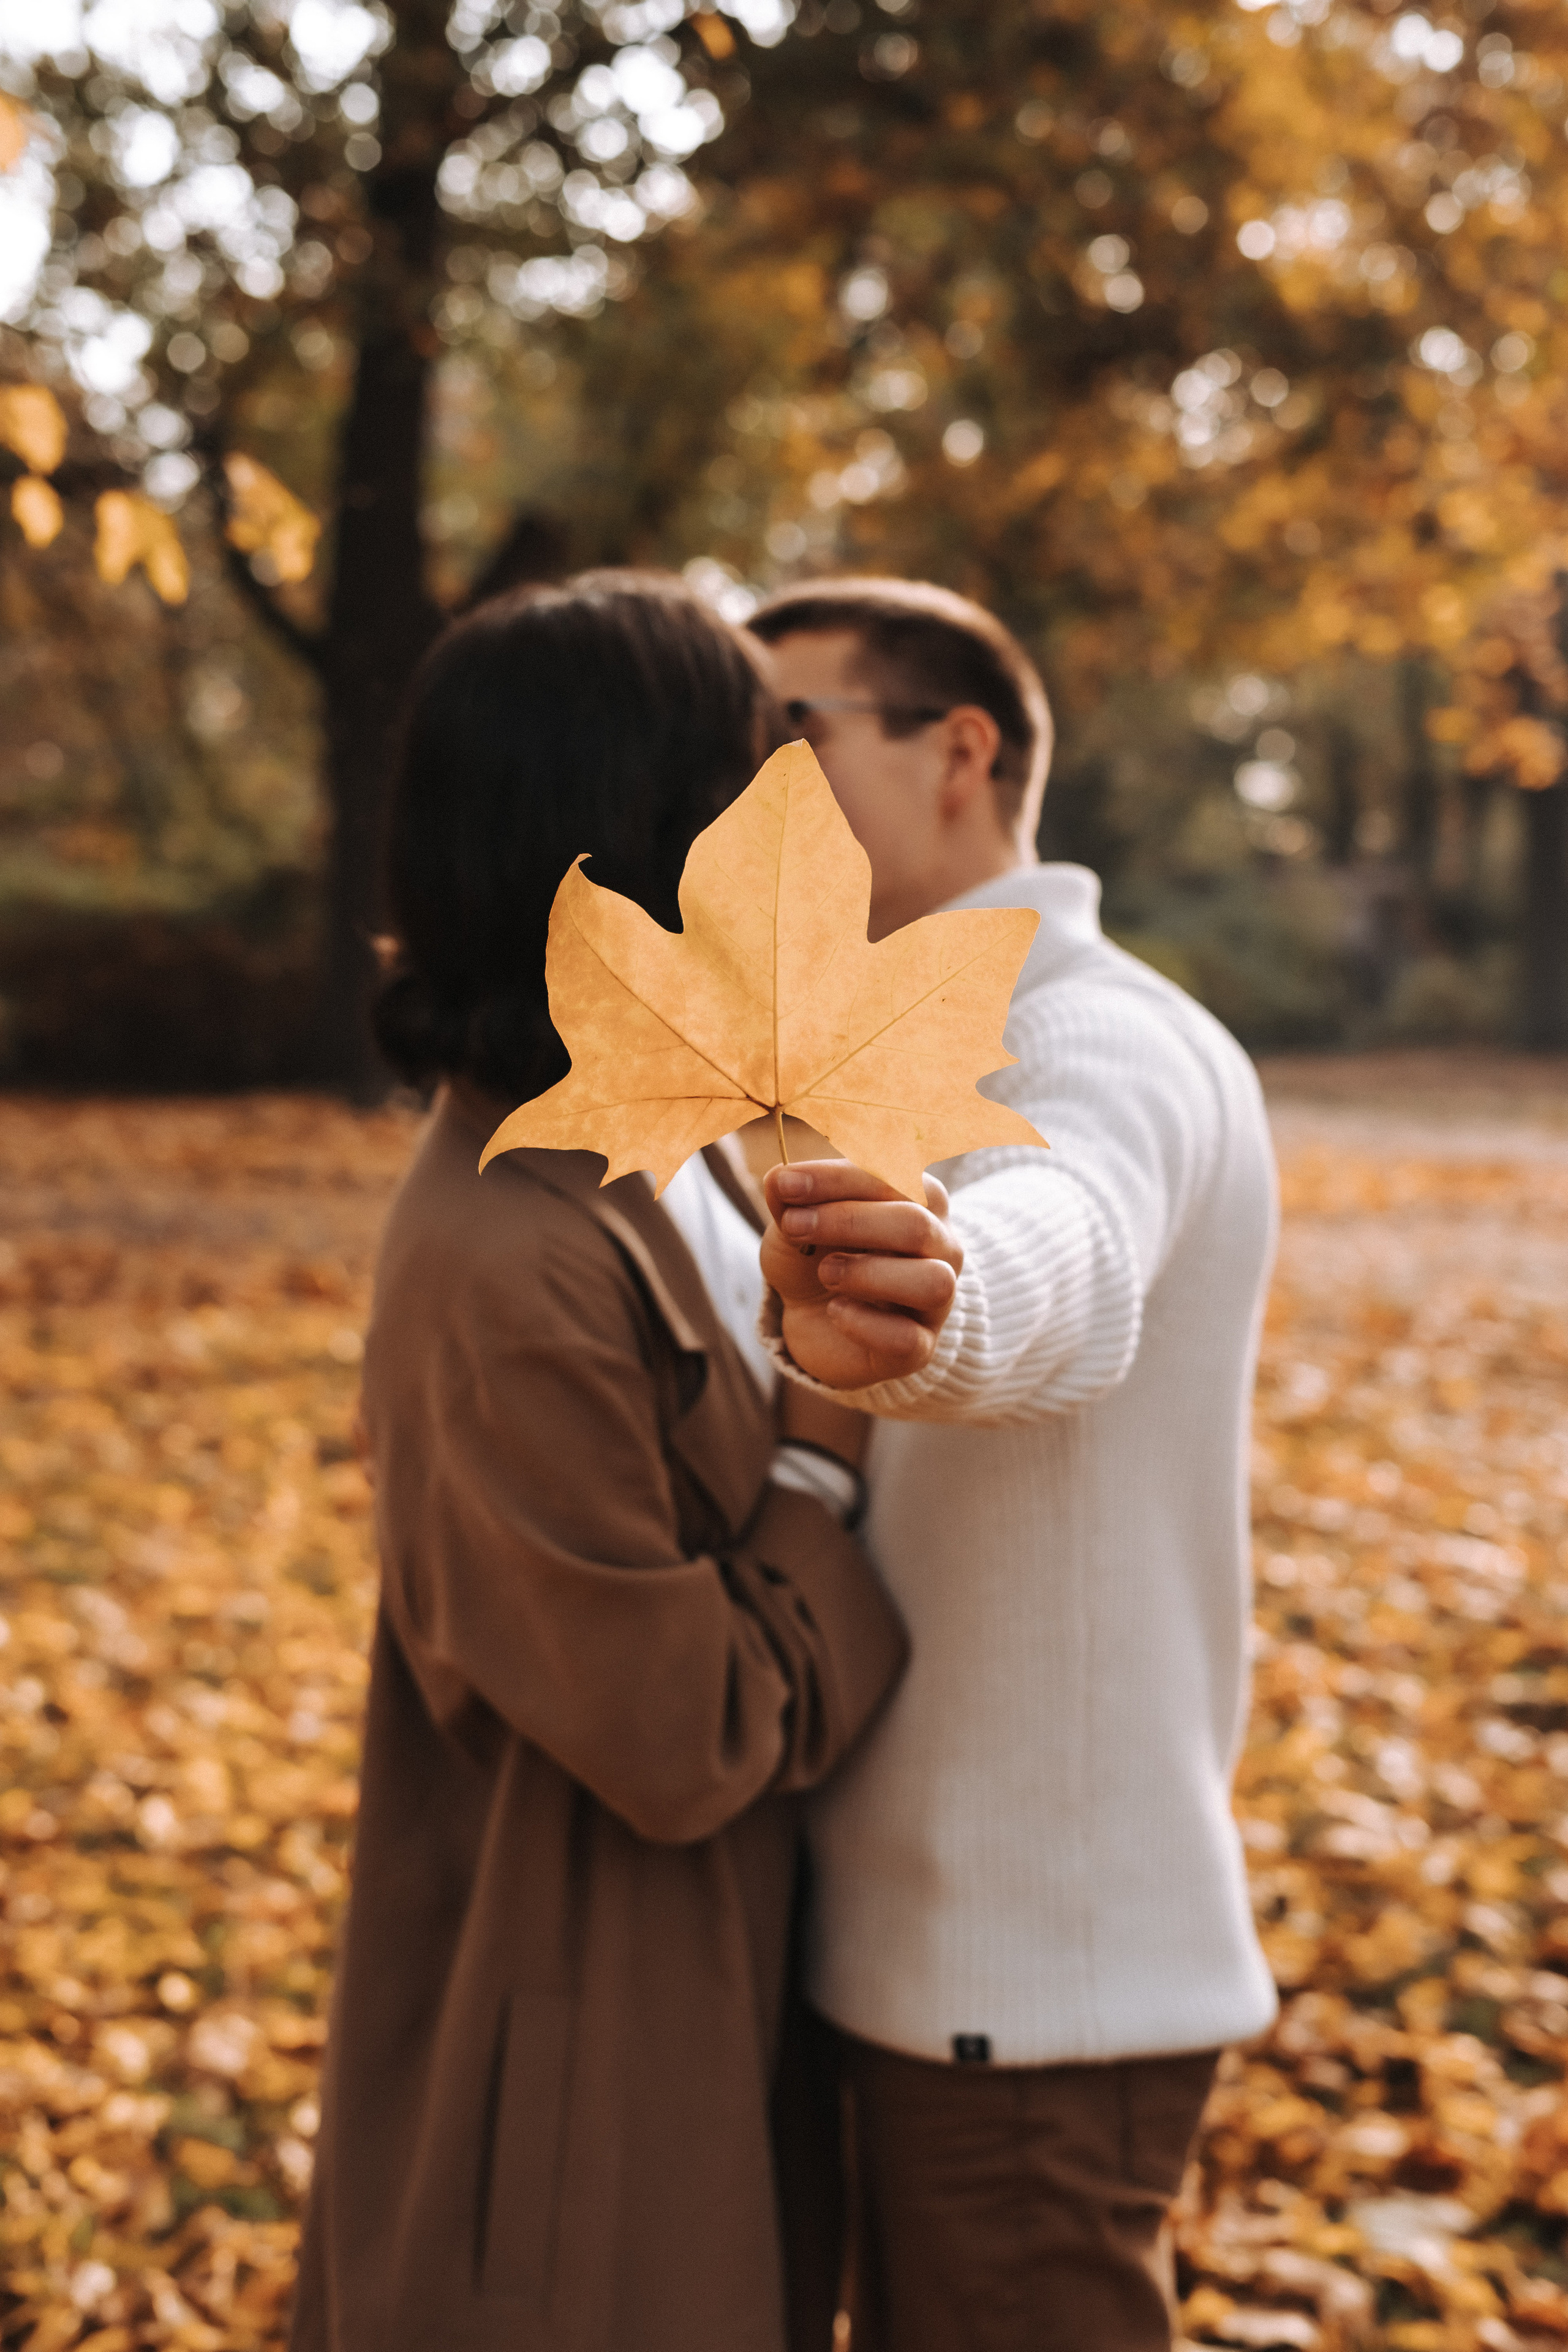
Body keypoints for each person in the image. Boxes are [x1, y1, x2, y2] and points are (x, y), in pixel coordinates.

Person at [290, 573, 907, 2352]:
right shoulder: (504, 1258)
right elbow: (677, 1729)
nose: (796, 833)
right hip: (570, 2084)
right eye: (753, 779)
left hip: (715, 2007)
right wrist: (821, 1476)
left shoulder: (684, 1159)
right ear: (638, 840)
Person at [745, 578, 1280, 2352]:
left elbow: (1067, 1234)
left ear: (957, 751)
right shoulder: (894, 1046)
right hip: (918, 1968)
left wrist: (941, 1305)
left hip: (1039, 1994)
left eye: (789, 734)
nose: (743, 788)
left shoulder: (1098, 1034)